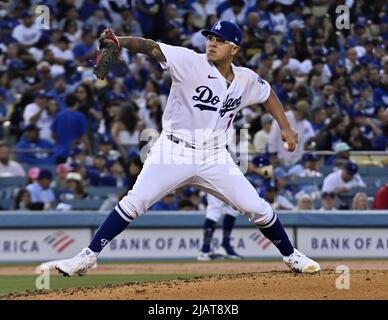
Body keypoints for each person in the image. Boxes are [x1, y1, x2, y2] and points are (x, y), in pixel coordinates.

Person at [49, 21, 320, 276]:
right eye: (210, 38)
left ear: (234, 49)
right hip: (174, 150)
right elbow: (150, 46)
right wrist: (120, 41)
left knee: (257, 208)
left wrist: (285, 126)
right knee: (134, 202)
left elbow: (268, 93)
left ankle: (291, 255)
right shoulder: (190, 61)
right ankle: (87, 257)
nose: (212, 44)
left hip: (215, 155)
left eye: (220, 40)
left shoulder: (245, 80)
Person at [197, 194, 242, 261]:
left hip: (231, 185)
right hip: (216, 185)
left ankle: (225, 246)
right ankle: (204, 251)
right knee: (214, 212)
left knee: (233, 210)